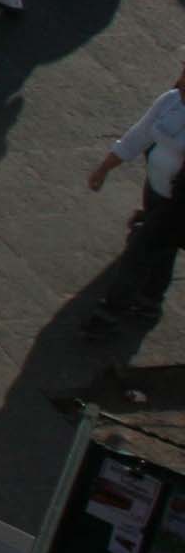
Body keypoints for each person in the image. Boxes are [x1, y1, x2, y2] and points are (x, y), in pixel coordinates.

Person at [80, 56, 185, 345]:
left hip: (178, 206)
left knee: (138, 253)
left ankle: (108, 316)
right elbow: (138, 135)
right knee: (163, 250)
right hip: (156, 191)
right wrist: (105, 167)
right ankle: (149, 302)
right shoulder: (171, 100)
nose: (182, 80)